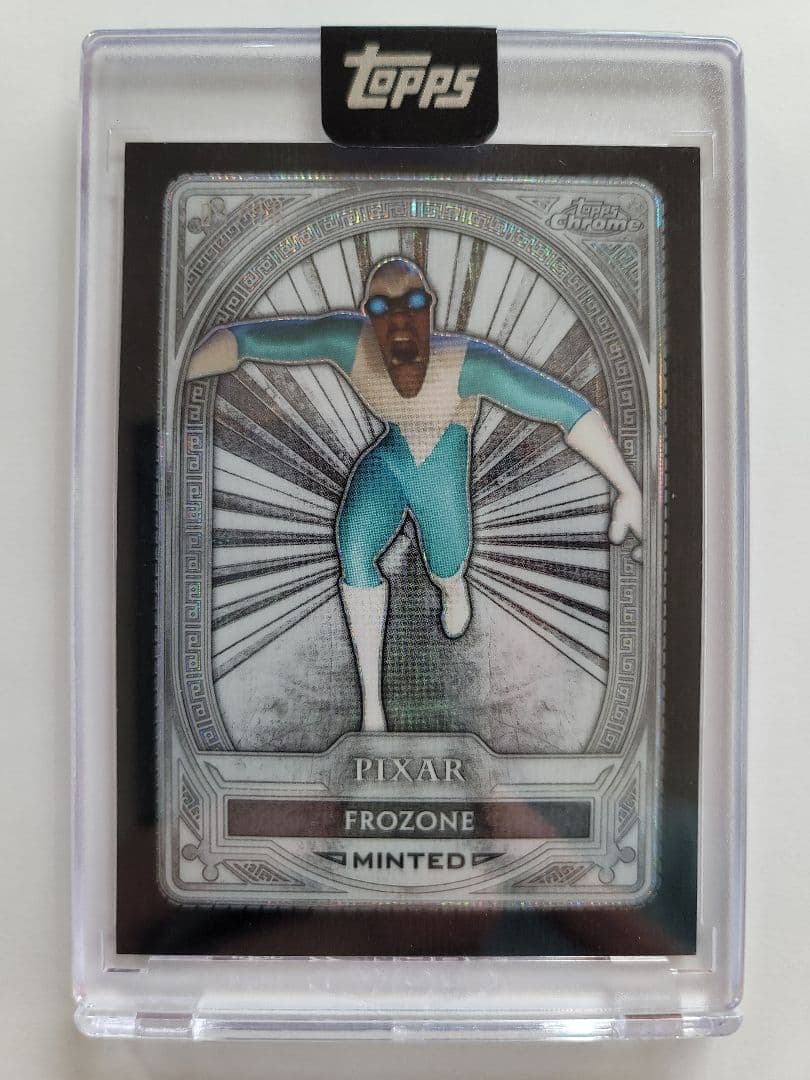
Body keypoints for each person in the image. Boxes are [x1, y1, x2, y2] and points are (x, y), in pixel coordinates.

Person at [188, 256, 642, 731]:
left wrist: (627, 488)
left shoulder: (469, 364)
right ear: (368, 316)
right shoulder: (349, 343)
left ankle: (451, 588)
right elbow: (244, 340)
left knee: (447, 562)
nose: (400, 321)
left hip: (440, 476)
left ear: (429, 310)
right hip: (391, 460)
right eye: (383, 308)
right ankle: (372, 711)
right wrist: (177, 369)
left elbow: (567, 410)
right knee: (353, 547)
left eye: (413, 303)